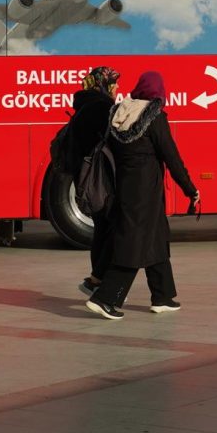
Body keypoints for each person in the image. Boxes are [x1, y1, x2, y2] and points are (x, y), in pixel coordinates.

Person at [84, 71, 199, 319]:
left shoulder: (119, 113)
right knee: (134, 245)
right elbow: (172, 157)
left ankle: (163, 296)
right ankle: (105, 298)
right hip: (145, 192)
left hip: (124, 187)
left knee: (156, 237)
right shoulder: (154, 117)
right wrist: (190, 189)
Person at [58, 66, 123, 297]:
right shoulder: (102, 107)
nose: (117, 88)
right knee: (113, 228)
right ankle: (96, 280)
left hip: (86, 177)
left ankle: (96, 278)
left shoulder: (84, 105)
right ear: (102, 83)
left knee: (102, 229)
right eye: (114, 84)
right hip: (102, 179)